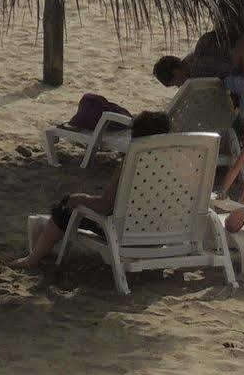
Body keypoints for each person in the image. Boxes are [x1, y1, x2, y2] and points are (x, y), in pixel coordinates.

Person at [25, 110, 172, 263]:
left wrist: (79, 199)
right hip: (162, 234)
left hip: (126, 235)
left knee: (64, 210)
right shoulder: (179, 165)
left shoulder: (131, 163)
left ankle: (32, 259)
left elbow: (104, 206)